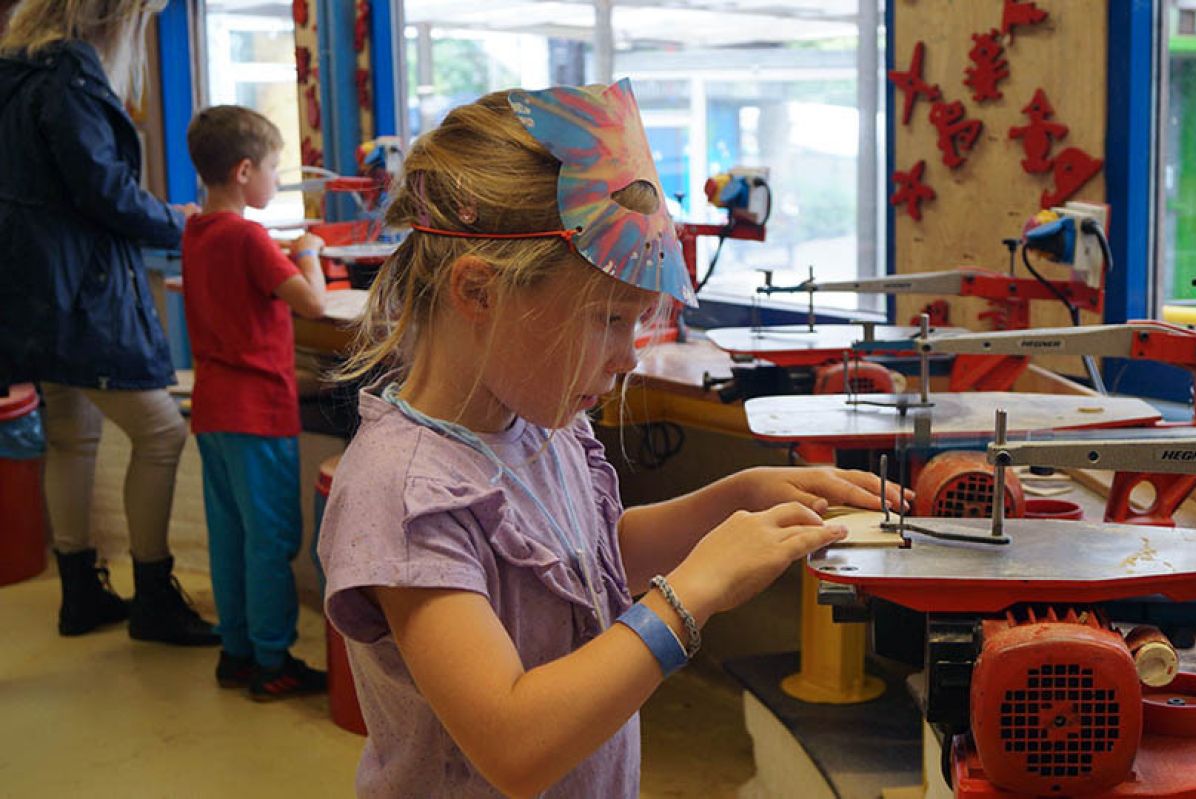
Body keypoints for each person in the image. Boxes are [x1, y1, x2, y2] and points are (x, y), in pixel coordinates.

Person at [317, 81, 911, 798]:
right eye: (606, 319)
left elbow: (582, 569)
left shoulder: (538, 422)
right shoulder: (404, 491)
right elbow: (514, 744)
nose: (628, 354)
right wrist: (691, 594)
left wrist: (733, 501)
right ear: (477, 292)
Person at [0, 0, 217, 645]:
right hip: (81, 290)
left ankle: (81, 592)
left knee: (72, 435)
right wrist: (182, 224)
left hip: (30, 288)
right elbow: (101, 189)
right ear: (110, 18)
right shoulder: (69, 75)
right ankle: (153, 596)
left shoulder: (14, 72)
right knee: (160, 435)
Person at [182, 105, 330, 699]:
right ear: (245, 171)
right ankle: (274, 662)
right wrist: (311, 250)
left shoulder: (196, 230)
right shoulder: (247, 236)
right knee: (270, 539)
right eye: (274, 168)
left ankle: (236, 650)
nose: (276, 179)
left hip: (213, 410)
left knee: (231, 535)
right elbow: (313, 304)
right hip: (258, 413)